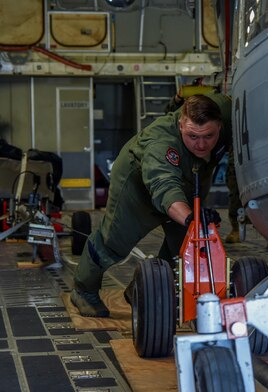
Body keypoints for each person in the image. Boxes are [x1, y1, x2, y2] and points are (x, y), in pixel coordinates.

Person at [71, 94, 232, 317]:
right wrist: (191, 218)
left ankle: (141, 288)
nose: (202, 144)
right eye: (192, 136)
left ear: (221, 125)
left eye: (209, 136)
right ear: (180, 124)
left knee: (186, 245)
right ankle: (83, 290)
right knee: (112, 242)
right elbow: (163, 185)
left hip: (188, 177)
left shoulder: (226, 112)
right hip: (138, 185)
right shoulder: (161, 145)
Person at [167, 87, 242, 244]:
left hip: (225, 139)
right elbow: (172, 113)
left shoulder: (225, 111)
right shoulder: (196, 97)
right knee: (201, 187)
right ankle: (200, 228)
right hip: (204, 151)